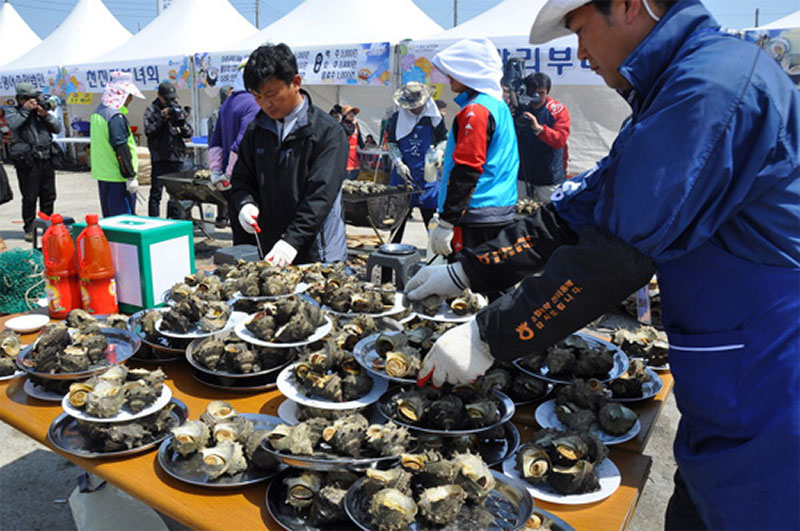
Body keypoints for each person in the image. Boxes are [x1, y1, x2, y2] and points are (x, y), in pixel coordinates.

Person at [406, 1, 799, 530]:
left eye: (581, 30)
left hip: (772, 393)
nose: (580, 53)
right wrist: (468, 271)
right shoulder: (677, 88)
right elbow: (576, 211)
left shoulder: (711, 90)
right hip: (728, 386)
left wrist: (488, 336)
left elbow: (617, 254)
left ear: (630, 6)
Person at [231, 43, 349, 266]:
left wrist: (291, 241)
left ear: (295, 83)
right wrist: (245, 203)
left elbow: (320, 196)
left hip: (318, 253)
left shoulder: (327, 132)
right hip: (272, 249)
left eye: (271, 94)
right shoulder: (257, 130)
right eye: (257, 96)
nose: (265, 104)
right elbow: (241, 178)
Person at [428, 37, 520, 257]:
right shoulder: (496, 105)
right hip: (498, 207)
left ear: (470, 71)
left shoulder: (476, 111)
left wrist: (447, 222)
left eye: (454, 70)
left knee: (471, 283)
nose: (449, 77)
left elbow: (468, 167)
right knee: (492, 282)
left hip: (477, 213)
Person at [386, 82, 448, 244]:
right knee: (397, 223)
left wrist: (439, 152)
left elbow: (443, 139)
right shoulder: (397, 117)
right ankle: (390, 261)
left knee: (431, 223)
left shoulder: (434, 118)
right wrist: (398, 162)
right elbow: (391, 143)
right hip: (403, 175)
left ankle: (434, 259)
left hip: (427, 175)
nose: (414, 109)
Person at [208, 64, 260, 245]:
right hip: (247, 182)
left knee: (239, 235)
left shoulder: (228, 102)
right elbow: (241, 141)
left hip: (229, 183)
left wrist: (216, 171)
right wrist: (230, 172)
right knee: (255, 240)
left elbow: (215, 140)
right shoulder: (254, 102)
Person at [5, 83, 61, 241]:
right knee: (30, 196)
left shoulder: (40, 112)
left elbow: (57, 128)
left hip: (46, 157)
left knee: (49, 194)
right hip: (28, 161)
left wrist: (45, 115)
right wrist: (25, 110)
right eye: (30, 99)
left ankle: (47, 224)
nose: (34, 101)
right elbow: (13, 124)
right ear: (21, 99)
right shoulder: (13, 111)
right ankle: (29, 228)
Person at [89, 71, 145, 217]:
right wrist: (130, 176)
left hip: (104, 175)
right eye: (129, 95)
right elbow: (121, 148)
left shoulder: (98, 113)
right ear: (122, 94)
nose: (131, 99)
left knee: (110, 219)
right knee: (123, 221)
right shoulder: (115, 116)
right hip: (117, 177)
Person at [513, 73, 570, 203]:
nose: (537, 97)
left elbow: (560, 140)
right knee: (519, 214)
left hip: (548, 175)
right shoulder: (518, 108)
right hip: (522, 173)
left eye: (541, 93)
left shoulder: (557, 110)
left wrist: (538, 128)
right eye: (533, 92)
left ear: (548, 92)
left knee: (552, 214)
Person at [144, 81, 193, 218]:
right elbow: (149, 131)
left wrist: (181, 123)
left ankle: (175, 221)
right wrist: (162, 118)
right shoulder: (152, 110)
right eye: (167, 99)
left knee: (176, 194)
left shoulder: (176, 108)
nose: (170, 102)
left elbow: (188, 132)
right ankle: (154, 223)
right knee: (156, 194)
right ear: (159, 96)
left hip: (176, 157)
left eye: (172, 98)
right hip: (159, 157)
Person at [340, 105, 363, 179]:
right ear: (345, 115)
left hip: (354, 153)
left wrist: (363, 146)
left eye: (353, 113)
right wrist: (353, 124)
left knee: (356, 170)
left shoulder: (355, 125)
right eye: (349, 113)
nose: (352, 115)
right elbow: (349, 132)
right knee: (348, 173)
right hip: (345, 152)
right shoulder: (342, 124)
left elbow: (359, 136)